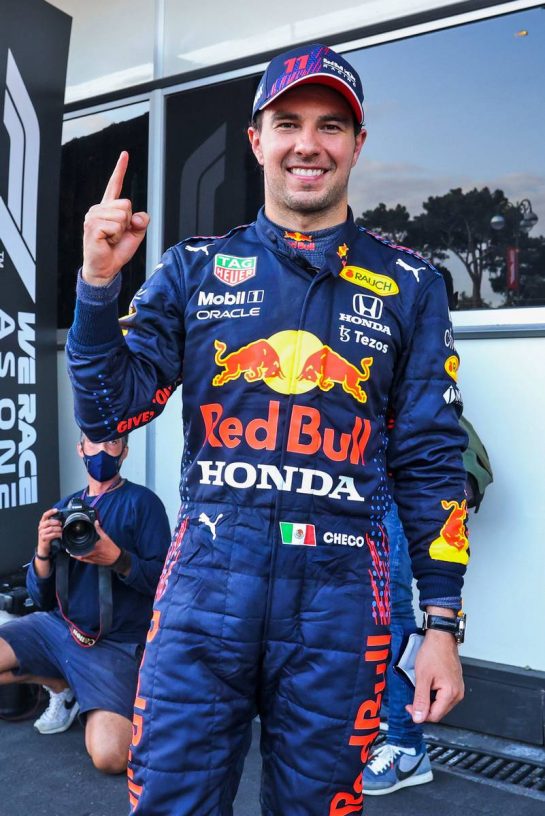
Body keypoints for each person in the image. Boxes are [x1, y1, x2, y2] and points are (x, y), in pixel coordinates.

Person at [66, 43, 470, 814]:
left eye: (329, 126)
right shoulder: (193, 269)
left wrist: (441, 627)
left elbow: (430, 463)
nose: (307, 144)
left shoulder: (411, 284)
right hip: (205, 586)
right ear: (257, 140)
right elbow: (109, 411)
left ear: (356, 144)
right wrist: (96, 284)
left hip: (341, 601)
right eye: (288, 123)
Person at [0, 433, 170, 774]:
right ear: (81, 449)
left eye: (113, 443)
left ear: (125, 451)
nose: (103, 450)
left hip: (114, 645)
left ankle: (81, 688)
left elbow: (164, 585)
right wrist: (42, 552)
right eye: (94, 442)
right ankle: (61, 686)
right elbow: (40, 598)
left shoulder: (143, 503)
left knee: (110, 758)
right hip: (58, 629)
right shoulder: (65, 508)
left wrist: (118, 559)